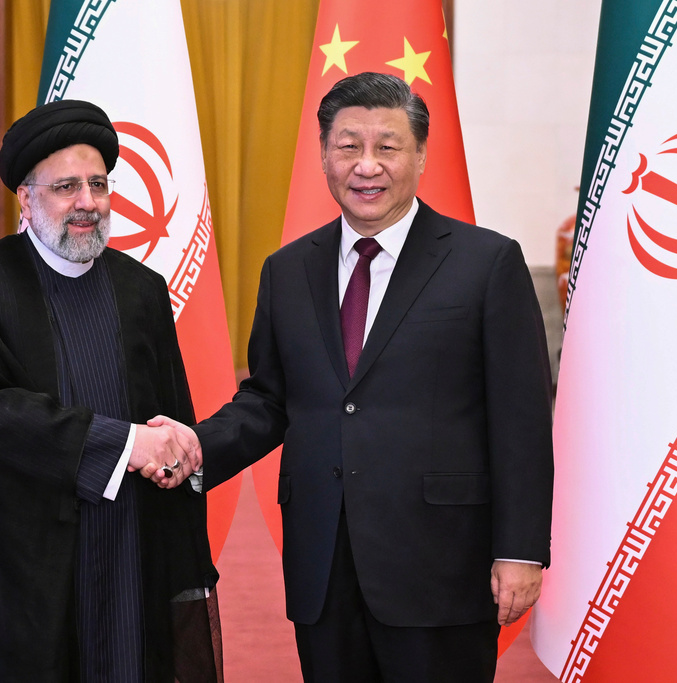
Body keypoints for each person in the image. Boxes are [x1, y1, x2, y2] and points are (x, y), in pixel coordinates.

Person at [152, 72, 554, 682]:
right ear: (323, 155)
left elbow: (521, 420)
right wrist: (194, 448)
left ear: (420, 154)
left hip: (440, 563)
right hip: (323, 561)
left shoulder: (486, 262)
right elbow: (269, 399)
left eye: (387, 146)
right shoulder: (288, 270)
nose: (367, 165)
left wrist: (520, 550)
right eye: (348, 146)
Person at [0, 99, 220, 683]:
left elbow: (171, 413)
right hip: (21, 565)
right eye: (66, 186)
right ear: (26, 199)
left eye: (98, 184)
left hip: (128, 548)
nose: (87, 203)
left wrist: (176, 451)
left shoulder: (143, 290)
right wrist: (123, 446)